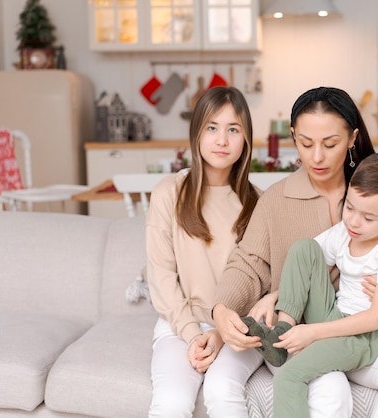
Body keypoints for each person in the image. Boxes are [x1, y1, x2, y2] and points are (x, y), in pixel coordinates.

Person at [205, 86, 378, 418]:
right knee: (327, 390)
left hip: (361, 329)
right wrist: (222, 309)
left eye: (330, 144)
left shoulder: (377, 197)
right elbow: (248, 263)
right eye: (305, 143)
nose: (316, 157)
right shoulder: (276, 200)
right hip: (304, 329)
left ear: (351, 139)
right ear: (293, 137)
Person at [243, 152, 378, 418]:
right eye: (349, 207)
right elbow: (306, 265)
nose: (354, 221)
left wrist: (313, 332)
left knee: (289, 376)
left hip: (364, 337)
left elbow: (375, 318)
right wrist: (274, 298)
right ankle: (283, 328)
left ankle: (290, 344)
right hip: (335, 313)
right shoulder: (344, 232)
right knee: (304, 248)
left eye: (369, 218)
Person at [145, 86, 260, 417]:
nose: (222, 140)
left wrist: (222, 335)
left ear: (246, 140)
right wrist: (194, 335)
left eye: (233, 129)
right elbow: (161, 275)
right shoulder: (169, 193)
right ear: (196, 133)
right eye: (212, 128)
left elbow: (260, 285)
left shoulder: (258, 202)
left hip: (239, 330)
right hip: (179, 326)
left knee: (222, 395)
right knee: (171, 404)